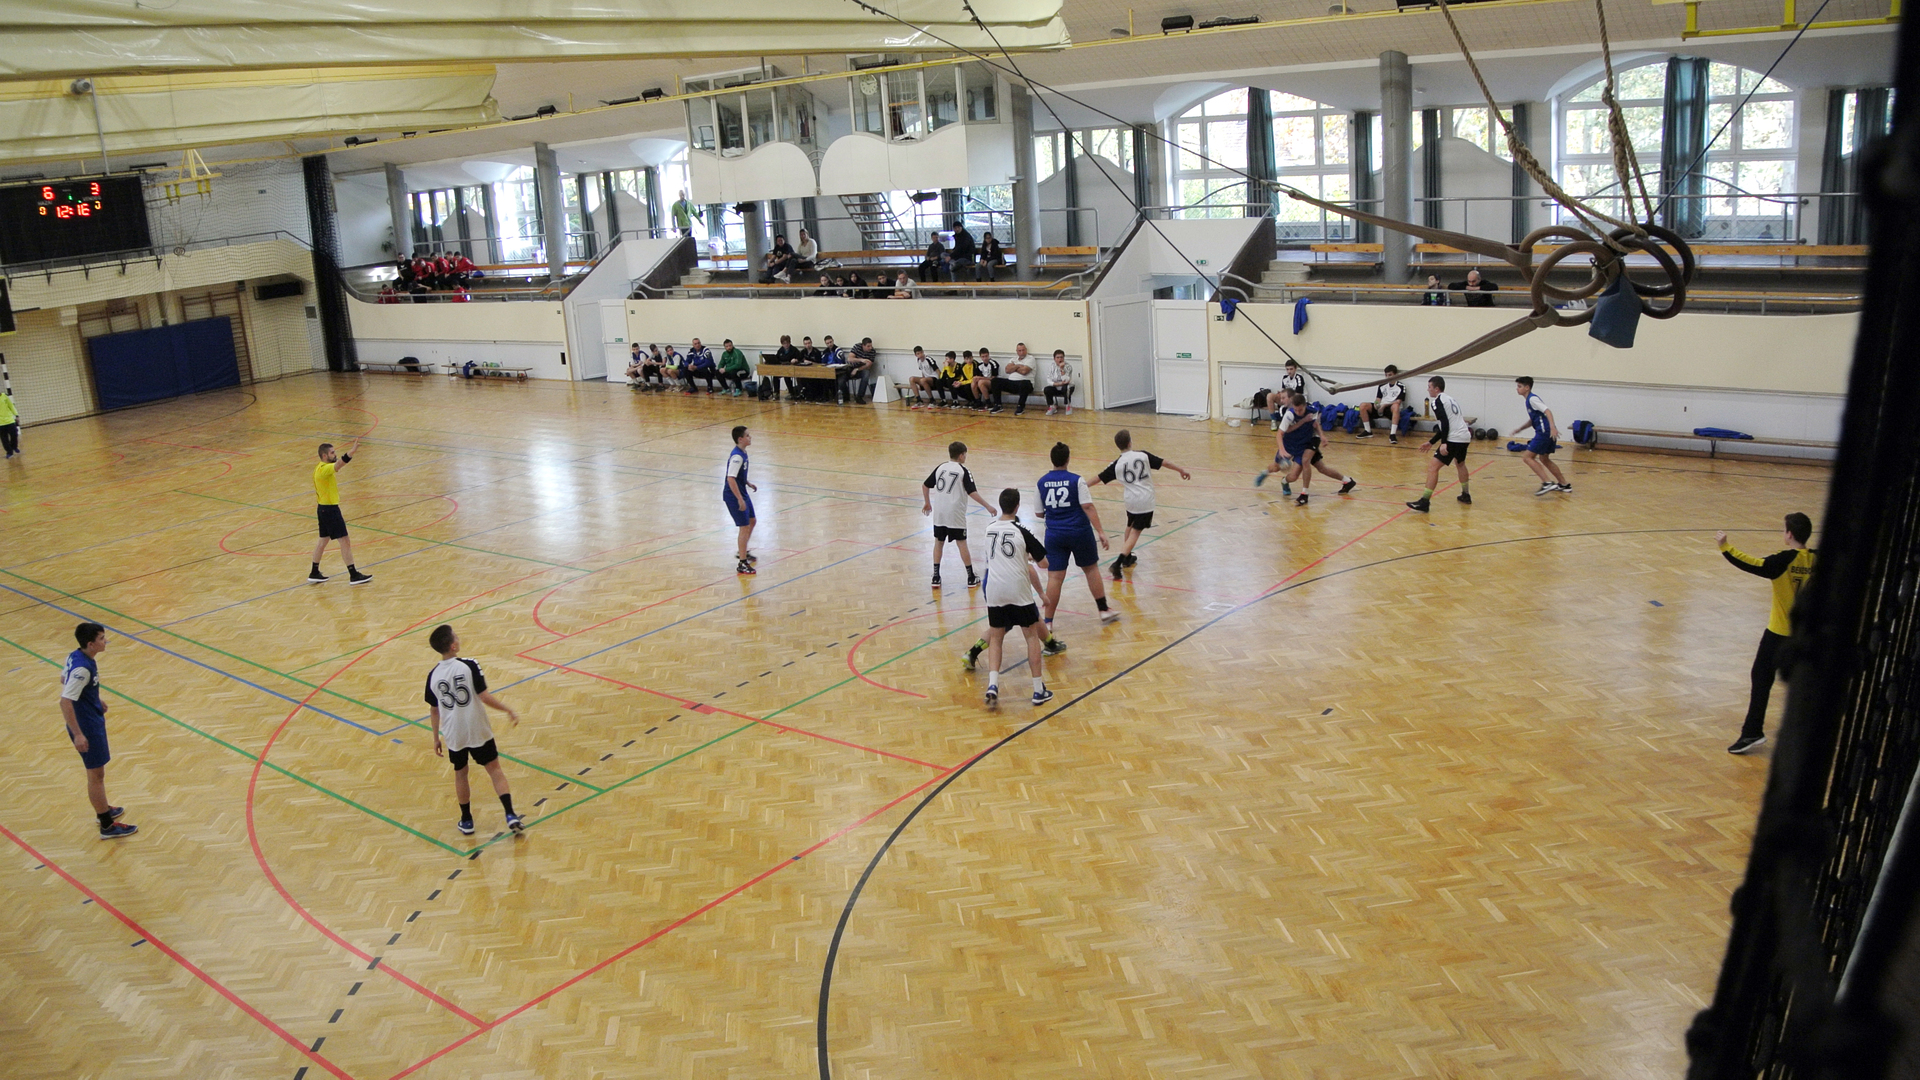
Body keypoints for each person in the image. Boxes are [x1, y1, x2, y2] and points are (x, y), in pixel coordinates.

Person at [1716, 514, 1816, 754]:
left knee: (1761, 678)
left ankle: (1752, 732)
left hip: (1779, 634)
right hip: (1807, 635)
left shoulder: (1782, 561)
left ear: (1789, 534)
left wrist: (1725, 547)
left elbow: (1751, 563)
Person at [425, 624, 524, 836]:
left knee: (460, 774)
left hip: (454, 733)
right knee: (494, 770)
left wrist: (436, 738)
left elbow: (434, 710)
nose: (459, 639)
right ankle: (510, 814)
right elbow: (484, 697)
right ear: (453, 646)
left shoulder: (432, 675)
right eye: (456, 637)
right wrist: (507, 709)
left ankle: (467, 820)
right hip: (477, 729)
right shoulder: (469, 665)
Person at [972, 488, 1054, 709]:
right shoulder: (1022, 530)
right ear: (1017, 507)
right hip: (1018, 590)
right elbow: (1044, 563)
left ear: (1001, 505)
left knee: (996, 638)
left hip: (994, 590)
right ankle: (1038, 690)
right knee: (1031, 637)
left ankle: (992, 685)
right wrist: (1029, 556)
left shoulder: (989, 529)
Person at [1036, 442, 1120, 649]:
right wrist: (1100, 531)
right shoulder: (1077, 480)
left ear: (1052, 459)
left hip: (1054, 534)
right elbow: (1088, 506)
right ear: (1068, 459)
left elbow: (1038, 512)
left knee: (1055, 577)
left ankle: (1048, 622)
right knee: (1091, 569)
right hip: (1079, 532)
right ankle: (1103, 610)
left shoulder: (1042, 482)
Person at [61, 622, 137, 839]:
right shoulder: (82, 668)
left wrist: (94, 698)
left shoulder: (76, 656)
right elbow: (65, 701)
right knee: (95, 775)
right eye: (102, 638)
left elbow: (64, 679)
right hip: (86, 726)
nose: (106, 641)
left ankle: (103, 809)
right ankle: (106, 825)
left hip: (90, 720)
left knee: (98, 773)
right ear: (91, 644)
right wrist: (78, 734)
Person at [1093, 429, 1191, 580]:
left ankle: (1127, 558)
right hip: (1145, 500)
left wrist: (1080, 486)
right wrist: (1181, 470)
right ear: (1130, 442)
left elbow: (1099, 478)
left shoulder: (1117, 464)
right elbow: (1165, 462)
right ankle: (1118, 563)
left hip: (1130, 501)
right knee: (1135, 532)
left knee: (1130, 525)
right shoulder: (1142, 455)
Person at [922, 440, 996, 589]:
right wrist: (987, 506)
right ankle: (970, 577)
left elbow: (925, 485)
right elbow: (972, 492)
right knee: (961, 542)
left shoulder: (941, 467)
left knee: (939, 542)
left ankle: (936, 576)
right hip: (955, 513)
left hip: (940, 513)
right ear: (961, 455)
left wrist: (927, 503)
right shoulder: (963, 471)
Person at [1260, 393, 1356, 506]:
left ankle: (1304, 494)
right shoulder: (1289, 415)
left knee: (1305, 461)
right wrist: (1281, 449)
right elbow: (1281, 433)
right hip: (1291, 443)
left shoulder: (1313, 411)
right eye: (1296, 410)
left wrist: (1322, 436)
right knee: (1320, 468)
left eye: (1300, 410)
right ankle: (1347, 481)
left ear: (1305, 405)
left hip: (1309, 441)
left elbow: (1316, 424)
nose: (1298, 412)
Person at [1406, 376, 1473, 513]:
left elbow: (1445, 423)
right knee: (1460, 463)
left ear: (1436, 389)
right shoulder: (1450, 399)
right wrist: (1431, 442)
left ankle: (1424, 501)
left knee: (1433, 467)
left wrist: (1444, 443)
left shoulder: (1437, 401)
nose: (1428, 389)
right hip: (1464, 436)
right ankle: (1466, 495)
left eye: (1429, 387)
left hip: (1453, 438)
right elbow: (1449, 423)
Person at [310, 441, 372, 586]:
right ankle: (353, 574)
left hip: (323, 509)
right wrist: (352, 451)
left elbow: (337, 464)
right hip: (330, 510)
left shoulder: (318, 468)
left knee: (323, 540)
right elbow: (339, 464)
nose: (335, 454)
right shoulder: (324, 469)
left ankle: (314, 572)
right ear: (324, 456)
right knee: (344, 540)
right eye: (332, 453)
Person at [1509, 376, 1572, 496]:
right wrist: (1520, 429)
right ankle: (1564, 484)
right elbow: (1533, 419)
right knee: (1544, 459)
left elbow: (1547, 411)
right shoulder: (1529, 401)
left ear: (1527, 388)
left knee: (1527, 457)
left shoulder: (1532, 399)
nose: (1517, 389)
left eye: (1519, 386)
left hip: (1544, 432)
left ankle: (1547, 482)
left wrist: (1552, 428)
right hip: (1546, 432)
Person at [724, 426, 758, 575]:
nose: (750, 437)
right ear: (740, 439)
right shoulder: (737, 457)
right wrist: (739, 499)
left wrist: (747, 482)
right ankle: (742, 563)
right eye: (747, 435)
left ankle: (742, 551)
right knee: (744, 527)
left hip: (742, 492)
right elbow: (730, 478)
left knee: (752, 521)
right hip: (734, 496)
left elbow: (738, 475)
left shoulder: (743, 453)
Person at [1355, 364, 1407, 443]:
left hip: (1390, 408)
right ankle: (1368, 431)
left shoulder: (1401, 386)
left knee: (1396, 406)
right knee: (1363, 405)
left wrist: (1384, 405)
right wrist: (1376, 404)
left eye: (1390, 375)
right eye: (1386, 375)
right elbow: (1378, 399)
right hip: (1381, 406)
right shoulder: (1382, 385)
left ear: (1395, 375)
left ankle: (1392, 434)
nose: (1388, 377)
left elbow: (1398, 401)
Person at [994, 344, 1037, 415]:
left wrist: (1013, 367)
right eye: (1019, 350)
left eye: (1023, 350)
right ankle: (998, 405)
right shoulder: (1013, 359)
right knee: (995, 381)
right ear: (1017, 351)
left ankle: (1020, 407)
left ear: (1026, 350)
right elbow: (1007, 370)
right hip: (1012, 383)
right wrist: (1018, 366)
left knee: (1025, 383)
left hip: (1025, 384)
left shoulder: (1030, 358)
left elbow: (1024, 371)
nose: (1022, 352)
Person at [1271, 359, 1308, 430]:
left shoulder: (1299, 378)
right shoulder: (1285, 378)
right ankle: (1273, 420)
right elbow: (1283, 391)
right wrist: (1280, 394)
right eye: (1287, 369)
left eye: (1291, 369)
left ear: (1295, 369)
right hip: (1287, 400)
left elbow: (1299, 394)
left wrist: (1287, 397)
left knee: (1288, 399)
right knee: (1270, 396)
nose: (1289, 371)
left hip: (1298, 400)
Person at [844, 337, 878, 403]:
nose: (870, 348)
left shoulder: (872, 352)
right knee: (841, 378)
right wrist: (861, 360)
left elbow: (868, 366)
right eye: (868, 346)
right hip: (850, 367)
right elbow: (850, 359)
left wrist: (857, 369)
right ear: (863, 345)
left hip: (860, 369)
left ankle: (860, 396)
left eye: (871, 346)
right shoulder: (857, 347)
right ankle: (844, 396)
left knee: (866, 373)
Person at [970, 346, 1000, 411]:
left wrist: (981, 378)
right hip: (982, 383)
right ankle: (978, 401)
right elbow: (976, 377)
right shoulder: (979, 365)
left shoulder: (993, 363)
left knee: (981, 382)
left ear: (988, 355)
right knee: (973, 382)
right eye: (983, 357)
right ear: (980, 357)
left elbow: (994, 378)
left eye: (986, 356)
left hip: (993, 383)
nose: (985, 358)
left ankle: (988, 402)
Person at [1044, 350, 1074, 415]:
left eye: (1061, 357)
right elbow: (1049, 380)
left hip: (1067, 387)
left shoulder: (1068, 366)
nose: (1060, 359)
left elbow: (1066, 380)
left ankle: (1068, 406)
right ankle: (1052, 406)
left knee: (1066, 387)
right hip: (1056, 385)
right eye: (1057, 357)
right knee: (1047, 389)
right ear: (1054, 359)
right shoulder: (1051, 366)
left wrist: (1062, 369)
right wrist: (1057, 384)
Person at [0, 387, 19, 458]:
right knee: (4, 439)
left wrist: (16, 415)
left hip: (10, 420)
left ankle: (14, 446)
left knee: (14, 434)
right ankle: (9, 452)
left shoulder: (4, 396)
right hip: (1, 423)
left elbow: (11, 405)